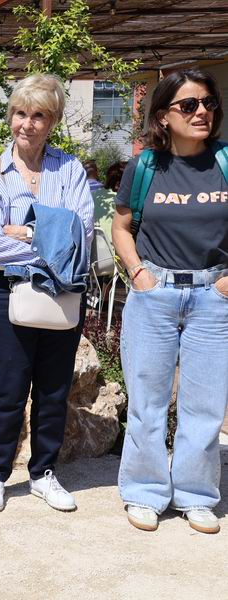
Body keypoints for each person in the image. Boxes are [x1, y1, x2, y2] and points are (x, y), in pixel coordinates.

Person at [0, 74, 93, 514]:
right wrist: (51, 239)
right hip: (8, 294)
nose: (28, 123)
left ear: (52, 120)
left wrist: (25, 233)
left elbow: (80, 231)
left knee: (54, 389)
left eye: (38, 115)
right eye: (20, 113)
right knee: (10, 388)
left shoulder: (70, 169)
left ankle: (43, 473)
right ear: (11, 116)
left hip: (62, 291)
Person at [112, 68, 228, 534]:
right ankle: (145, 492)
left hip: (213, 297)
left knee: (206, 404)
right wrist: (138, 274)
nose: (202, 112)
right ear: (163, 115)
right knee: (147, 400)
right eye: (189, 105)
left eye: (208, 103)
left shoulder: (225, 161)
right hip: (154, 294)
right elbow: (122, 226)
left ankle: (196, 495)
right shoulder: (145, 167)